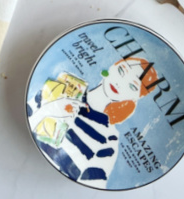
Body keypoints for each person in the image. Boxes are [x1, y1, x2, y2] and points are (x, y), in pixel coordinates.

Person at [27, 57, 157, 185]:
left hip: (45, 181)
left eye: (131, 86)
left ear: (134, 99)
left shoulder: (108, 140)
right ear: (112, 67)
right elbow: (28, 115)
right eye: (121, 71)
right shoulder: (65, 87)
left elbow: (93, 183)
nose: (119, 83)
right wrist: (50, 109)